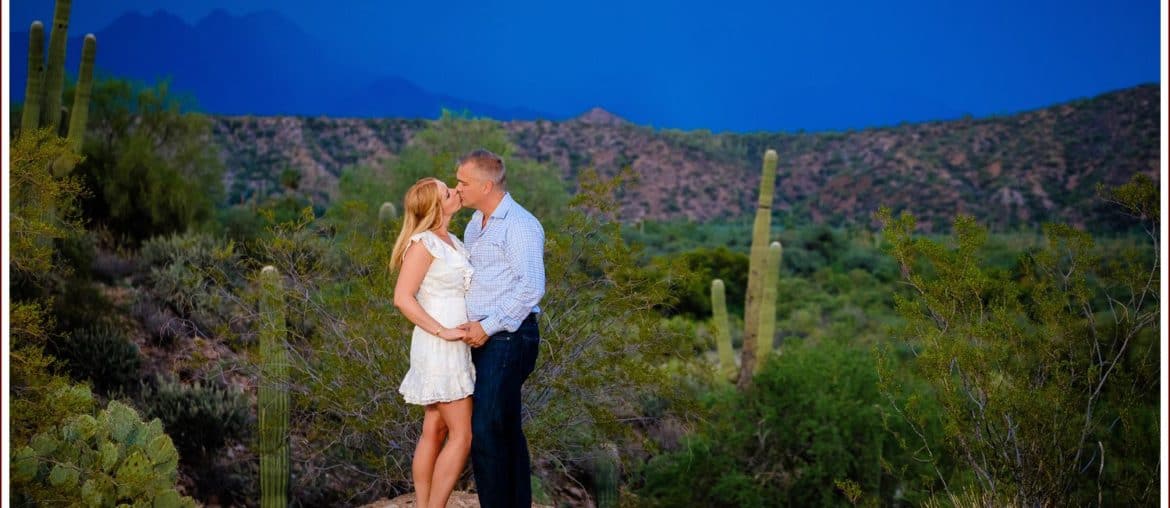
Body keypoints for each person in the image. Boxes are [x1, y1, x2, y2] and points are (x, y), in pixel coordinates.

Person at [454, 149, 546, 508]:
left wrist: (488, 326)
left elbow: (532, 286)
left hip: (509, 337)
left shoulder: (520, 225)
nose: (457, 188)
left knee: (487, 430)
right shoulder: (475, 223)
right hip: (484, 338)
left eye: (463, 183)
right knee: (503, 426)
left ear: (486, 184)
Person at [392, 177, 477, 508]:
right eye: (447, 192)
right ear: (435, 206)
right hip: (440, 346)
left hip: (456, 345)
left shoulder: (451, 239)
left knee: (435, 429)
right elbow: (402, 298)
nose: (455, 192)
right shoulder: (423, 243)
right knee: (462, 435)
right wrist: (443, 331)